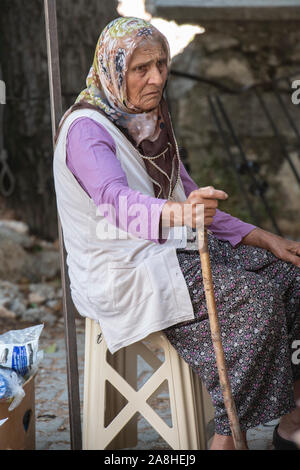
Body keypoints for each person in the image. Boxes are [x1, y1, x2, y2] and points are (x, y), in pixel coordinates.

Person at [53, 17, 300, 450]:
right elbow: (116, 201)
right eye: (140, 68)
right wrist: (181, 213)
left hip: (169, 250)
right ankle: (227, 435)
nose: (156, 78)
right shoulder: (86, 130)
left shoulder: (148, 119)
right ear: (113, 70)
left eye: (162, 64)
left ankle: (292, 423)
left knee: (292, 276)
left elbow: (188, 198)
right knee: (254, 301)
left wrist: (265, 238)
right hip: (122, 271)